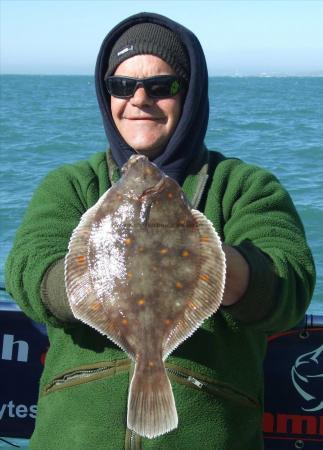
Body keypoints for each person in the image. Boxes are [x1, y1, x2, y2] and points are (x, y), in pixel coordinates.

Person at [5, 12, 315, 450]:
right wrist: (95, 277)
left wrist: (207, 261)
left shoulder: (246, 187)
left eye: (162, 86)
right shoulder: (72, 185)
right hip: (74, 435)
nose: (139, 99)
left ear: (189, 94)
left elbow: (291, 288)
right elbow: (28, 270)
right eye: (121, 85)